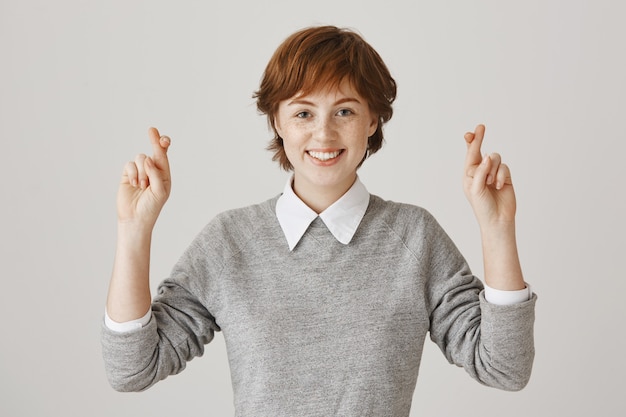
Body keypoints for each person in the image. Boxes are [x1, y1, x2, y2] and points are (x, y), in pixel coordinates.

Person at [102, 25, 536, 416]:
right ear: (277, 120)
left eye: (344, 111)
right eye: (303, 113)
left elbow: (504, 368)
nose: (324, 134)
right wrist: (134, 230)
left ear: (372, 120)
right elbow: (133, 369)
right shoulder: (229, 241)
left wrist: (497, 229)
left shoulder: (414, 237)